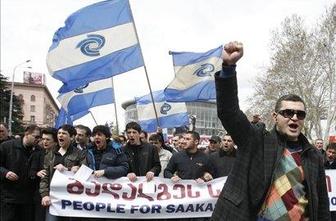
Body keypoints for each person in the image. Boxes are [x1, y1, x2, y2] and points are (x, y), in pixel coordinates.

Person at [211, 41, 330, 220]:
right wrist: (229, 67)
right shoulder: (256, 140)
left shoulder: (313, 155)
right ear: (275, 117)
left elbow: (321, 205)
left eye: (300, 114)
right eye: (288, 113)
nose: (295, 118)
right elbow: (229, 112)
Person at [40, 124, 87, 221]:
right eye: (59, 133)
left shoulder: (80, 153)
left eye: (64, 133)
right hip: (53, 199)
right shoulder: (51, 153)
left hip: (72, 200)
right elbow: (45, 176)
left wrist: (67, 169)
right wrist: (44, 195)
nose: (60, 135)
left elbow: (85, 173)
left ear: (72, 137)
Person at [0, 124, 41, 221]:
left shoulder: (39, 150)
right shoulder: (6, 146)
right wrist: (5, 173)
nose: (38, 140)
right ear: (27, 134)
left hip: (28, 199)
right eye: (36, 137)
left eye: (40, 138)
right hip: (9, 198)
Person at [30, 127, 58, 221]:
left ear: (55, 141)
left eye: (48, 139)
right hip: (40, 197)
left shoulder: (61, 155)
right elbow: (30, 172)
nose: (44, 142)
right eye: (43, 139)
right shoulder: (37, 154)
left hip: (58, 197)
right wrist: (37, 173)